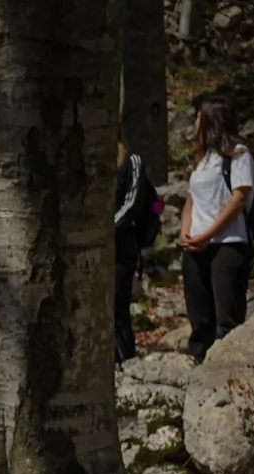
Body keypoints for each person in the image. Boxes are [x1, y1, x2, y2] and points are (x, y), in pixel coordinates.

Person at [180, 94, 254, 362]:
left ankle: (229, 372)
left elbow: (239, 199)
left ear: (210, 119)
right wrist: (186, 232)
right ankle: (200, 366)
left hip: (228, 244)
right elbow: (191, 199)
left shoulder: (239, 154)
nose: (195, 121)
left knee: (227, 318)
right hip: (196, 246)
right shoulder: (202, 159)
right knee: (200, 317)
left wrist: (208, 235)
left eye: (198, 116)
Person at [113, 135, 147, 365]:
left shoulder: (132, 161)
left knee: (117, 309)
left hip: (121, 248)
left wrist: (107, 230)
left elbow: (133, 203)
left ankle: (126, 361)